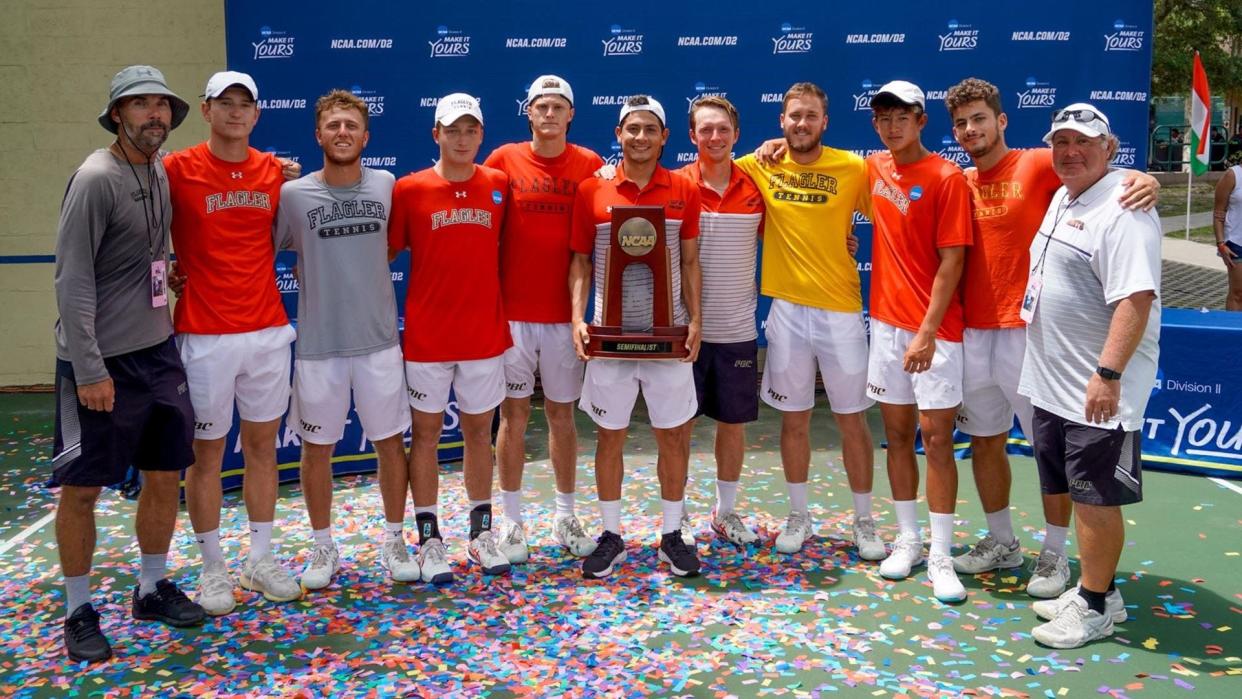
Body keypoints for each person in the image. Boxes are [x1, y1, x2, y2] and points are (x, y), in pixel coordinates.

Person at [943, 78, 1160, 598]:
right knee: (990, 442)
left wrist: (1149, 180)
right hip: (980, 333)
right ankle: (1002, 541)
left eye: (980, 118)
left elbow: (1111, 177)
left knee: (1061, 462)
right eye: (962, 122)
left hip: (1027, 338)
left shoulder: (1038, 163)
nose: (971, 129)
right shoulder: (957, 179)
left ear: (1002, 122)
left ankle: (1056, 555)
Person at [52, 65, 205, 662]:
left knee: (165, 476)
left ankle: (150, 587)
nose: (154, 115)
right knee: (83, 489)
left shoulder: (158, 171)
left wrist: (170, 276)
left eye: (161, 105)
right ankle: (78, 610)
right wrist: (90, 369)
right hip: (99, 363)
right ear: (117, 114)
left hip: (158, 351)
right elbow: (72, 278)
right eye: (139, 105)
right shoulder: (95, 177)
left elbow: (143, 253)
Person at [1019, 103, 1161, 648]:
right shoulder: (1065, 193)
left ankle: (1097, 607)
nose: (1070, 152)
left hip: (1096, 388)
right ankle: (1100, 588)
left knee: (1095, 500)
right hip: (1055, 382)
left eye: (1084, 142)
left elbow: (1136, 298)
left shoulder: (1124, 207)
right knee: (1076, 494)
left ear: (1111, 147)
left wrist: (1108, 373)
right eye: (1061, 142)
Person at [164, 71, 300, 614]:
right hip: (204, 333)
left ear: (257, 114)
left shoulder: (275, 171)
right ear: (206, 109)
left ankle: (259, 559)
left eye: (246, 103)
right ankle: (213, 567)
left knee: (263, 448)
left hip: (267, 330)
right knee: (207, 455)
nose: (236, 112)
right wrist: (169, 268)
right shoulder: (175, 169)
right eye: (226, 103)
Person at [274, 89, 420, 590]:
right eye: (333, 125)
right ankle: (322, 546)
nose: (342, 133)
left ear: (366, 136)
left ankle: (396, 538)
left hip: (379, 343)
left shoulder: (386, 185)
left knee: (389, 445)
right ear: (318, 134)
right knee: (317, 450)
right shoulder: (292, 196)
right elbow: (254, 247)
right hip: (318, 347)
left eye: (351, 126)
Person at [739, 82, 882, 561]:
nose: (802, 124)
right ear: (781, 122)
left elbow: (903, 203)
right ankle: (798, 515)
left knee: (852, 421)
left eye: (811, 116)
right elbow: (702, 174)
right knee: (794, 420)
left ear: (826, 122)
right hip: (787, 310)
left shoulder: (854, 167)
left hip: (841, 310)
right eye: (794, 116)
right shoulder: (762, 164)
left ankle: (865, 521)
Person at [569, 95, 704, 578]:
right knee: (610, 438)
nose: (641, 137)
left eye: (650, 129)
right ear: (618, 134)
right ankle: (611, 535)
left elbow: (689, 259)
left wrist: (696, 320)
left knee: (674, 438)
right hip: (610, 337)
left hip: (668, 339)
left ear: (665, 137)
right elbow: (581, 261)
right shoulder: (593, 191)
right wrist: (577, 318)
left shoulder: (685, 190)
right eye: (632, 129)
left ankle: (671, 536)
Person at [387, 93, 513, 582]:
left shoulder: (500, 185)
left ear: (481, 135)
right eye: (452, 129)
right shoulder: (409, 190)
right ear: (435, 133)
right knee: (426, 436)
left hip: (483, 335)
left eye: (470, 130)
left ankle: (481, 534)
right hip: (428, 337)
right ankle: (430, 539)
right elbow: (383, 255)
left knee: (480, 434)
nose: (462, 138)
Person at [482, 76, 603, 563]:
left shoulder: (592, 164)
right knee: (511, 415)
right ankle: (511, 522)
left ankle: (565, 514)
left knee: (561, 414)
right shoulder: (502, 160)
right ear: (528, 113)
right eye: (540, 106)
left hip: (563, 318)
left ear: (570, 114)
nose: (549, 114)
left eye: (557, 107)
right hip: (511, 316)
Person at [865, 80, 972, 602]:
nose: (892, 125)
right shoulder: (874, 167)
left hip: (936, 330)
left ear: (922, 120)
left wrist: (926, 334)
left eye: (902, 115)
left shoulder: (947, 177)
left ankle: (943, 553)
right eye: (883, 117)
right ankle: (908, 540)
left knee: (936, 439)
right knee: (897, 433)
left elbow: (953, 261)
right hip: (885, 326)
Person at [676, 96, 765, 545]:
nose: (714, 137)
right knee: (680, 426)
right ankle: (680, 515)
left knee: (732, 425)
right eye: (705, 130)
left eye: (722, 129)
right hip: (684, 331)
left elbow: (798, 233)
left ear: (736, 134)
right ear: (692, 136)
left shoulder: (756, 187)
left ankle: (724, 512)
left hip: (737, 331)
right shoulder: (675, 185)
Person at [1212, 162, 1242, 310]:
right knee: (1238, 293)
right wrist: (1221, 243)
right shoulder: (1232, 175)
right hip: (1236, 243)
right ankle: (1234, 331)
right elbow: (1219, 213)